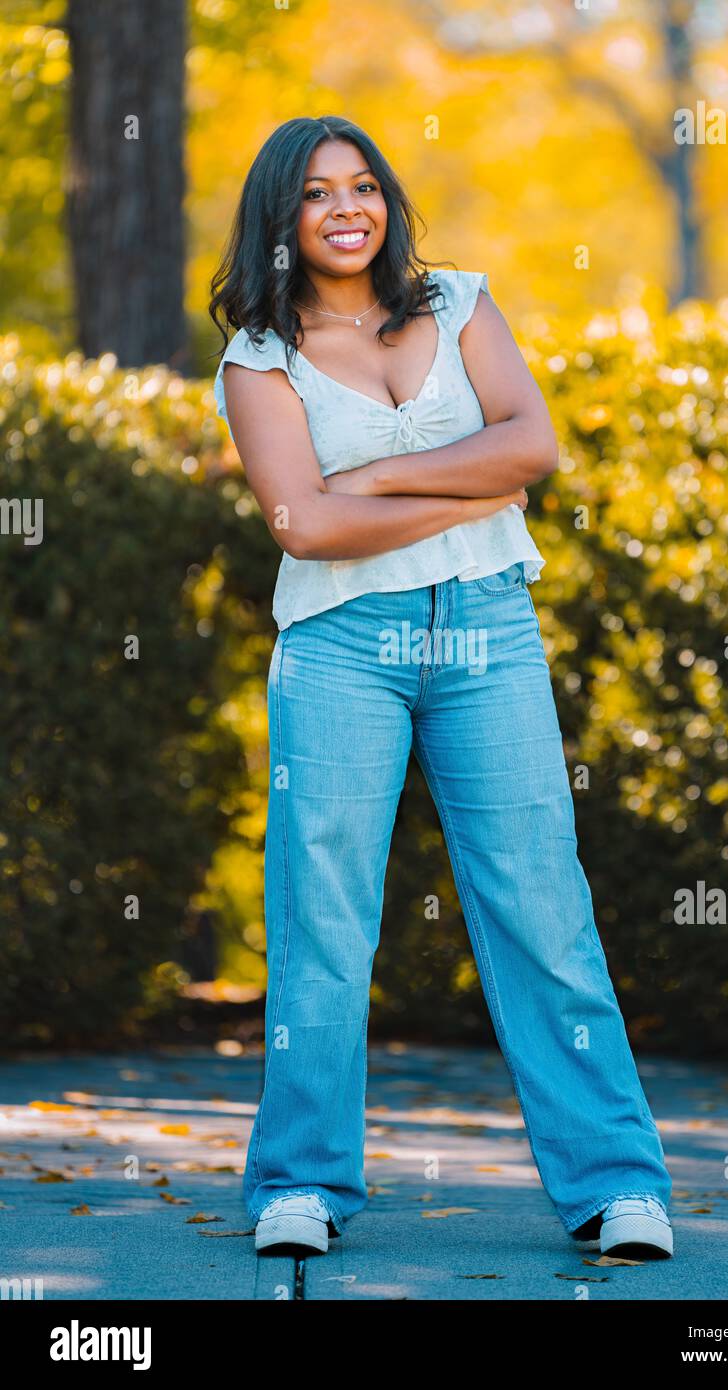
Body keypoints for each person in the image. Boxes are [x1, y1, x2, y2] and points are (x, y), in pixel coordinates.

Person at [210, 115, 673, 1261]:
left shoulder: (457, 302)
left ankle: (617, 1184)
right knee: (320, 914)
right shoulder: (256, 362)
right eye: (316, 194)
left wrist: (386, 474)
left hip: (486, 631)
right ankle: (299, 1183)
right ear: (282, 219)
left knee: (539, 902)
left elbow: (532, 445)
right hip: (337, 647)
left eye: (362, 186)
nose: (346, 209)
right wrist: (471, 490)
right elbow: (304, 524)